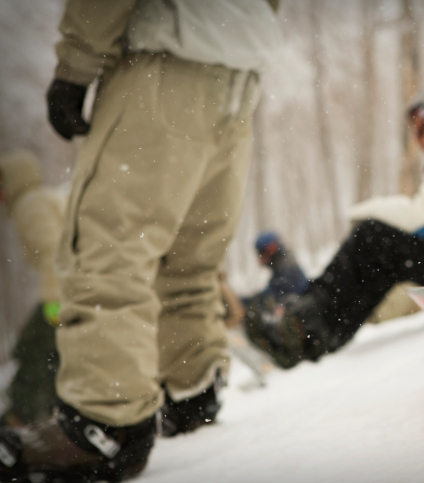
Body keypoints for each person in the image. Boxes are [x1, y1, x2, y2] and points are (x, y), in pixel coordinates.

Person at [0, 1, 281, 481]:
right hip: (238, 77)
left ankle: (102, 423)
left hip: (164, 57)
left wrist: (76, 65)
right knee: (187, 259)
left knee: (107, 250)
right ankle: (193, 391)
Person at [244, 84, 424, 369]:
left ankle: (306, 329)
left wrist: (366, 210)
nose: (416, 137)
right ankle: (313, 331)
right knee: (381, 251)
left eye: (419, 124)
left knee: (374, 238)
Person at [0, 150, 65, 428]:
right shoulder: (36, 200)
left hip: (61, 294)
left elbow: (53, 253)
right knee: (45, 351)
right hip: (67, 290)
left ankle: (22, 416)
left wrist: (54, 303)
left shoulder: (29, 205)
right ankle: (43, 413)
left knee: (37, 352)